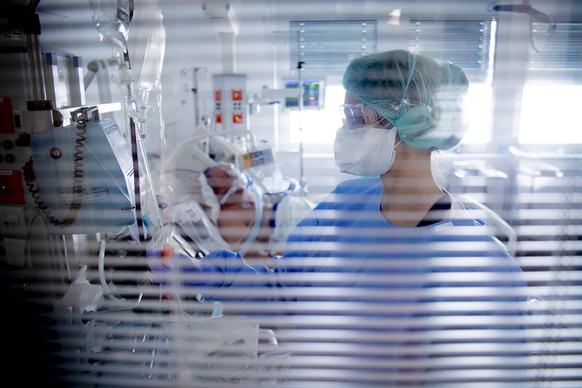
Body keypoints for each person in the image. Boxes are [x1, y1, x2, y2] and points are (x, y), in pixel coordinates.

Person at [150, 49, 530, 385]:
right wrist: (211, 275)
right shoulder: (346, 205)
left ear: (402, 121)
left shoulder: (481, 273)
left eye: (353, 117)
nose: (343, 130)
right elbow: (288, 293)